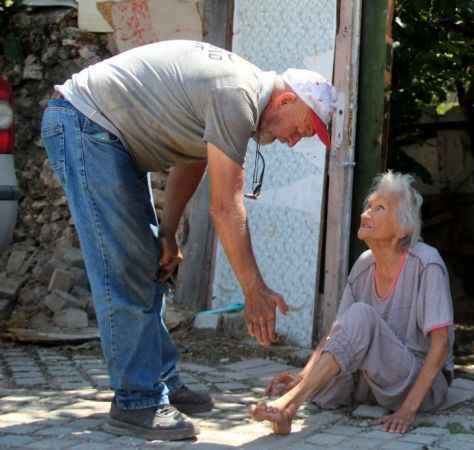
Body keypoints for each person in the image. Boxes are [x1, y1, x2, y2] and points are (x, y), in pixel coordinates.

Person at [40, 39, 336, 441]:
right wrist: (254, 290)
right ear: (285, 101)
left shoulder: (236, 98)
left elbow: (191, 160)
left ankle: (158, 379)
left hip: (104, 135)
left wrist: (168, 232)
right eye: (301, 129)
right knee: (125, 267)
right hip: (84, 124)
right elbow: (225, 208)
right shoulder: (237, 96)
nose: (292, 141)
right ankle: (137, 401)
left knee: (147, 261)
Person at [250, 171, 455, 435]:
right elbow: (337, 335)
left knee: (361, 315)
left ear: (403, 228)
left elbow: (441, 344)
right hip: (373, 380)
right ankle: (292, 400)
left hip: (419, 383)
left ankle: (288, 406)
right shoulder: (364, 265)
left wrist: (407, 411)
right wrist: (303, 375)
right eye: (368, 205)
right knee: (327, 374)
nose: (366, 213)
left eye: (379, 208)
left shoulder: (427, 263)